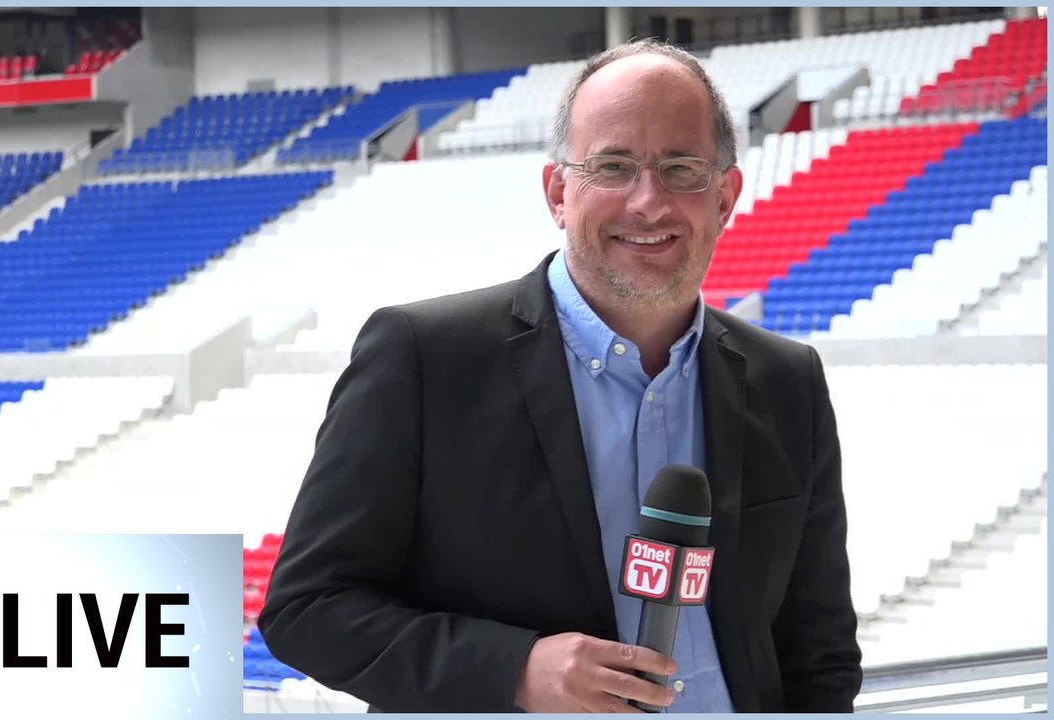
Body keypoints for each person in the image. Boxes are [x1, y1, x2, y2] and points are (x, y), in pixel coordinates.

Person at [258, 38, 862, 713]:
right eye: (613, 167)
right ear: (558, 193)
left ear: (724, 197)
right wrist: (515, 670)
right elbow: (307, 608)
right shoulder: (423, 358)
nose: (648, 202)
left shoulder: (788, 381)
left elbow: (820, 651)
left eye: (681, 169)